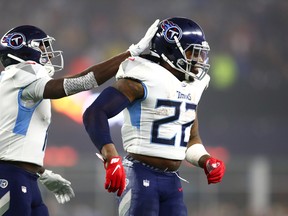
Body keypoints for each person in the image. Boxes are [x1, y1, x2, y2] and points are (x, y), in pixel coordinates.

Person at [0, 19, 159, 216]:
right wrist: (131, 53)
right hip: (10, 177)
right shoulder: (20, 74)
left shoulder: (16, 83)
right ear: (24, 52)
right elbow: (79, 82)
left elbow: (14, 138)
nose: (48, 53)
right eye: (42, 47)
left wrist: (41, 172)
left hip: (24, 177)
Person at [83, 17, 226, 216]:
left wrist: (206, 160)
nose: (199, 61)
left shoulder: (191, 87)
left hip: (172, 181)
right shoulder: (143, 77)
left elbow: (190, 139)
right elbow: (94, 112)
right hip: (139, 174)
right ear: (171, 51)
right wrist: (111, 157)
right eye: (193, 53)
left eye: (201, 54)